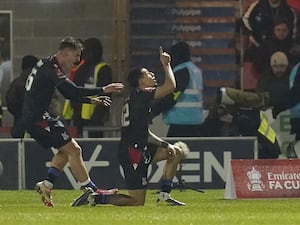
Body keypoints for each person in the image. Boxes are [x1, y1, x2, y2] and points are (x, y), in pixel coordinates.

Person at [71, 47, 189, 207]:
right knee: (136, 202)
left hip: (140, 147)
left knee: (175, 152)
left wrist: (165, 144)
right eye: (148, 74)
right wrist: (166, 65)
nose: (152, 75)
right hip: (133, 152)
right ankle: (95, 198)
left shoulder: (136, 99)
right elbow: (170, 86)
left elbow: (143, 132)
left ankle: (164, 196)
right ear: (141, 82)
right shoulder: (142, 95)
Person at [16, 37, 123, 207]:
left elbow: (69, 94)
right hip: (38, 119)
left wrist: (92, 101)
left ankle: (47, 184)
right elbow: (71, 91)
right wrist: (103, 90)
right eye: (76, 55)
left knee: (65, 151)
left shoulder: (46, 64)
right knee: (74, 149)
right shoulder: (51, 69)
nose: (77, 60)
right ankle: (90, 190)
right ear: (65, 53)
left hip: (38, 117)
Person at [151, 41, 204, 137]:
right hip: (196, 122)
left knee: (174, 151)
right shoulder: (195, 70)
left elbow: (173, 96)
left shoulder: (182, 71)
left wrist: (152, 112)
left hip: (182, 123)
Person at [71, 37, 112, 137]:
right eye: (85, 51)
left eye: (90, 51)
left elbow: (105, 94)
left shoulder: (103, 69)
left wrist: (95, 119)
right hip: (78, 118)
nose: (87, 54)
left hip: (95, 120)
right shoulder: (80, 69)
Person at [6, 55, 38, 137]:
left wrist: (19, 114)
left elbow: (10, 102)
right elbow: (51, 102)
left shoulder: (16, 83)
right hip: (40, 124)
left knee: (20, 147)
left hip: (20, 123)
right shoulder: (42, 82)